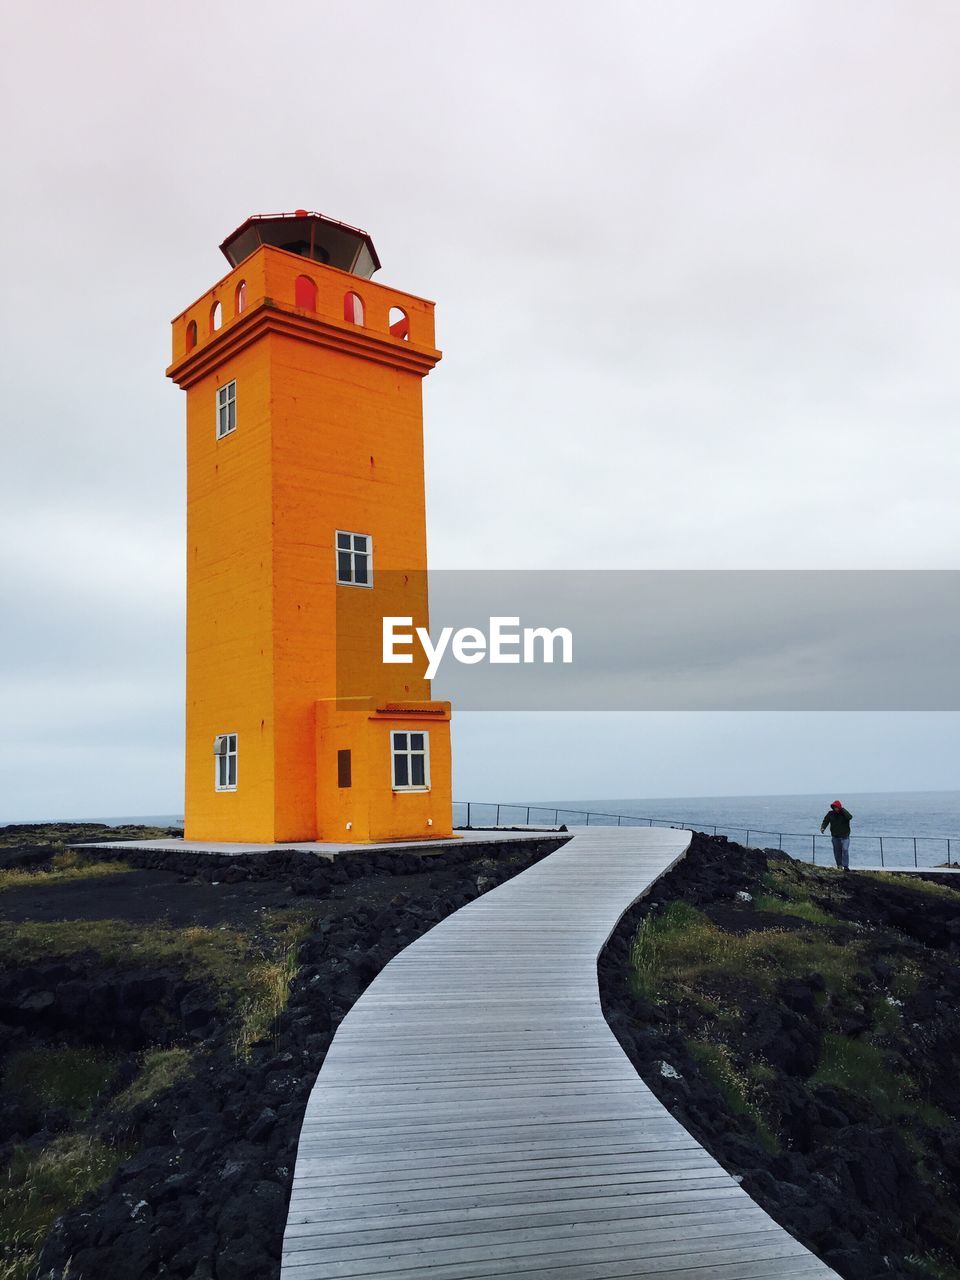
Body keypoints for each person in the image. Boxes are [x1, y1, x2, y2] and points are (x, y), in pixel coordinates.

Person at [820, 800, 853, 870]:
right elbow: (826, 821)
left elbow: (850, 817)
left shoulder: (844, 813)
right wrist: (823, 827)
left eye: (837, 807)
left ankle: (846, 866)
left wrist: (843, 810)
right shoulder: (830, 814)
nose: (836, 808)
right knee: (837, 852)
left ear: (839, 807)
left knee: (845, 849)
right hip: (835, 837)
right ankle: (839, 865)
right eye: (834, 807)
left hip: (845, 837)